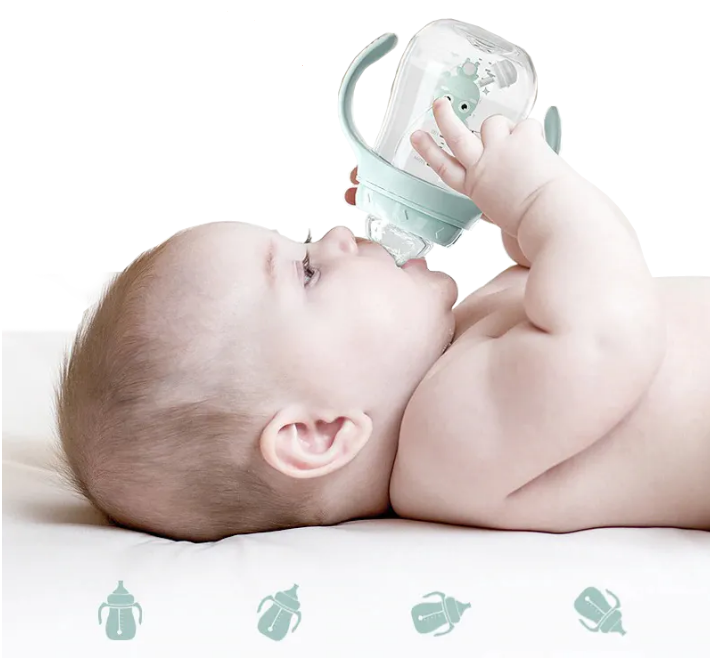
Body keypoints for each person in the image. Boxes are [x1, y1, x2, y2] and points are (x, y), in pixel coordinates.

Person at [54, 98, 710, 541]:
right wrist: (540, 196)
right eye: (306, 269)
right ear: (317, 433)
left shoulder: (455, 362)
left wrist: (520, 230)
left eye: (307, 237)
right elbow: (610, 333)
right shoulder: (446, 443)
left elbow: (571, 293)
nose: (339, 235)